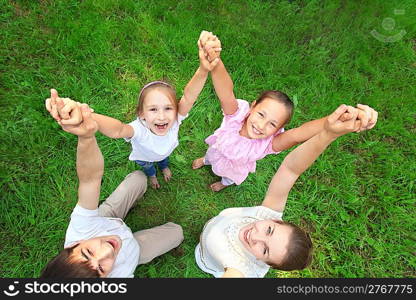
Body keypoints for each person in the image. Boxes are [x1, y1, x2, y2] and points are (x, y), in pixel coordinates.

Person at [195, 103, 378, 277]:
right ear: (275, 220)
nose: (255, 237)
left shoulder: (240, 268)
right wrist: (329, 134)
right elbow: (291, 170)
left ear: (267, 264)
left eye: (265, 250)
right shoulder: (265, 214)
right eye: (269, 230)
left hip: (209, 258)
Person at [192, 31, 376, 192]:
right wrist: (215, 61)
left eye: (272, 124)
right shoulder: (236, 117)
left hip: (234, 168)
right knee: (211, 156)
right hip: (219, 150)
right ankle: (204, 161)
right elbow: (226, 93)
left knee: (228, 177)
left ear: (279, 129)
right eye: (261, 114)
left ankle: (224, 183)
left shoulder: (268, 144)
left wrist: (334, 120)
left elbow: (298, 135)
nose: (261, 126)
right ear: (253, 106)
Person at [41, 97, 184, 278]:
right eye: (101, 269)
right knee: (177, 232)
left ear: (72, 245)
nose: (106, 251)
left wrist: (86, 137)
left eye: (88, 253)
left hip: (106, 218)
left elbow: (90, 179)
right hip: (135, 251)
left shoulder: (81, 230)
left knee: (139, 178)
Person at [75, 35, 221, 189]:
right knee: (149, 167)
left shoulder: (176, 118)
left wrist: (204, 70)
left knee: (164, 160)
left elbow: (189, 96)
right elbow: (118, 130)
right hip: (144, 158)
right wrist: (89, 116)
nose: (162, 116)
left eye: (168, 108)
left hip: (166, 151)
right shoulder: (139, 129)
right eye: (153, 109)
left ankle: (164, 167)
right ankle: (152, 176)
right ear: (142, 114)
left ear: (176, 109)